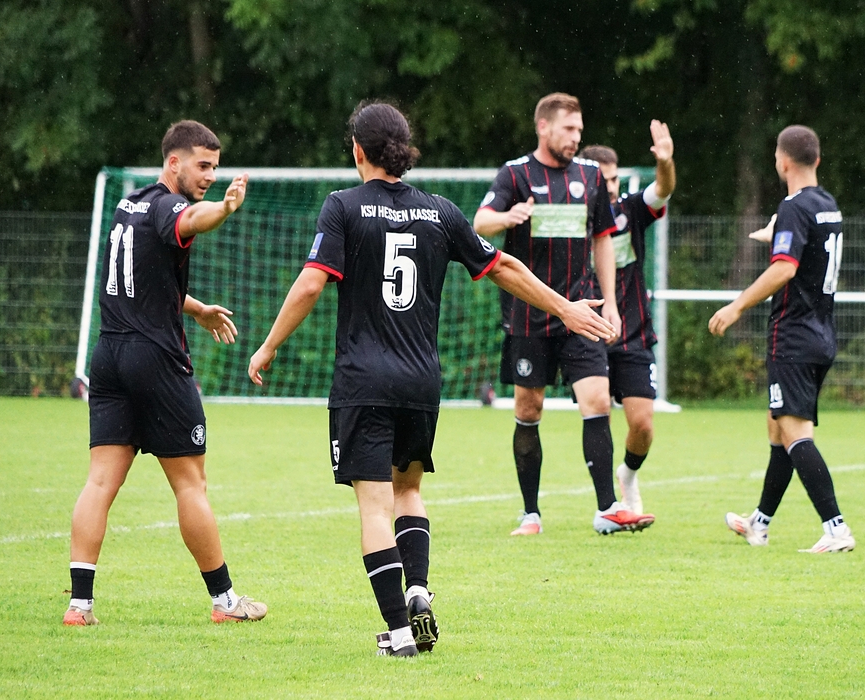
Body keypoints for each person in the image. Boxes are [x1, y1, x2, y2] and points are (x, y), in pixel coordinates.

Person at [247, 101, 614, 656]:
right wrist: (564, 307)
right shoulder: (439, 211)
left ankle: (399, 632)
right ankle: (417, 587)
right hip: (420, 383)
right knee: (409, 490)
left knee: (374, 506)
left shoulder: (342, 206)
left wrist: (270, 345)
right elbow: (503, 266)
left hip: (363, 382)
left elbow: (312, 282)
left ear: (358, 151)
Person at [64, 120, 267, 626]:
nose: (210, 176)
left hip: (109, 356)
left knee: (99, 482)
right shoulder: (168, 206)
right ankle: (225, 602)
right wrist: (224, 209)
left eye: (215, 168)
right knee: (190, 484)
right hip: (155, 360)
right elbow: (192, 218)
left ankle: (79, 605)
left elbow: (141, 281)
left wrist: (194, 308)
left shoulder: (127, 204)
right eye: (203, 166)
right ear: (174, 162)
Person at [473, 93, 651, 536]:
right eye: (569, 129)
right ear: (544, 127)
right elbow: (479, 222)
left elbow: (603, 239)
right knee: (528, 408)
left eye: (579, 130)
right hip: (529, 316)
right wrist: (508, 216)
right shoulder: (516, 174)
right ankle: (531, 514)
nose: (576, 137)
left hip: (582, 310)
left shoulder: (590, 176)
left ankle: (607, 509)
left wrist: (610, 302)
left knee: (597, 401)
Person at [709, 124, 855, 553]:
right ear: (817, 160)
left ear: (782, 161)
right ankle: (760, 523)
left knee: (795, 434)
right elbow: (806, 246)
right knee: (778, 429)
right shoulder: (826, 204)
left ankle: (836, 528)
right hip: (822, 333)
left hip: (792, 336)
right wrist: (777, 233)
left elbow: (785, 268)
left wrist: (736, 306)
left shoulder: (792, 207)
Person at [578, 120, 675, 524]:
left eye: (615, 179)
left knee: (643, 425)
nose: (611, 187)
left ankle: (628, 475)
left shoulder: (630, 210)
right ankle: (607, 506)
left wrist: (665, 162)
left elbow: (663, 189)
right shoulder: (573, 220)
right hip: (589, 331)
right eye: (603, 181)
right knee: (599, 408)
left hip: (633, 332)